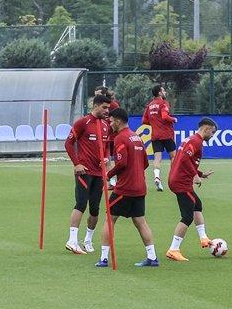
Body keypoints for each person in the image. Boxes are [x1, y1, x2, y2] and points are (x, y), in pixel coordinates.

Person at [99, 108, 158, 268]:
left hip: (125, 189)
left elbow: (122, 162)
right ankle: (152, 257)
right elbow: (145, 163)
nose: (110, 124)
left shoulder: (120, 138)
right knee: (140, 221)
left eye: (111, 121)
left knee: (109, 219)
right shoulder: (137, 137)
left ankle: (103, 258)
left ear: (118, 121)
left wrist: (108, 174)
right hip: (140, 187)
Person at [63, 94, 111, 254]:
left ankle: (88, 240)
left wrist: (106, 158)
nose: (107, 110)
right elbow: (68, 143)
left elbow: (107, 146)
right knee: (81, 204)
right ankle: (72, 240)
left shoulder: (106, 125)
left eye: (108, 108)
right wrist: (77, 163)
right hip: (84, 171)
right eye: (104, 107)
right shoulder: (83, 122)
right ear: (95, 106)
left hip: (99, 173)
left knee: (95, 209)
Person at [165, 117, 217, 262]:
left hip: (178, 179)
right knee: (187, 217)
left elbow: (184, 159)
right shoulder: (196, 141)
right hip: (181, 182)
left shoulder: (191, 139)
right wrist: (195, 175)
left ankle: (203, 238)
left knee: (197, 205)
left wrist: (200, 174)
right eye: (212, 132)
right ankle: (173, 249)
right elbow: (184, 160)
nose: (212, 135)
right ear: (206, 128)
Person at [143, 84, 178, 192]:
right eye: (163, 91)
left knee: (157, 158)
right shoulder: (163, 103)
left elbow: (144, 120)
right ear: (159, 93)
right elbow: (164, 116)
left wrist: (154, 123)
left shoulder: (150, 105)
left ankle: (157, 177)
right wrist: (174, 119)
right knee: (173, 157)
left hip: (155, 136)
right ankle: (173, 179)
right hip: (166, 134)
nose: (165, 92)